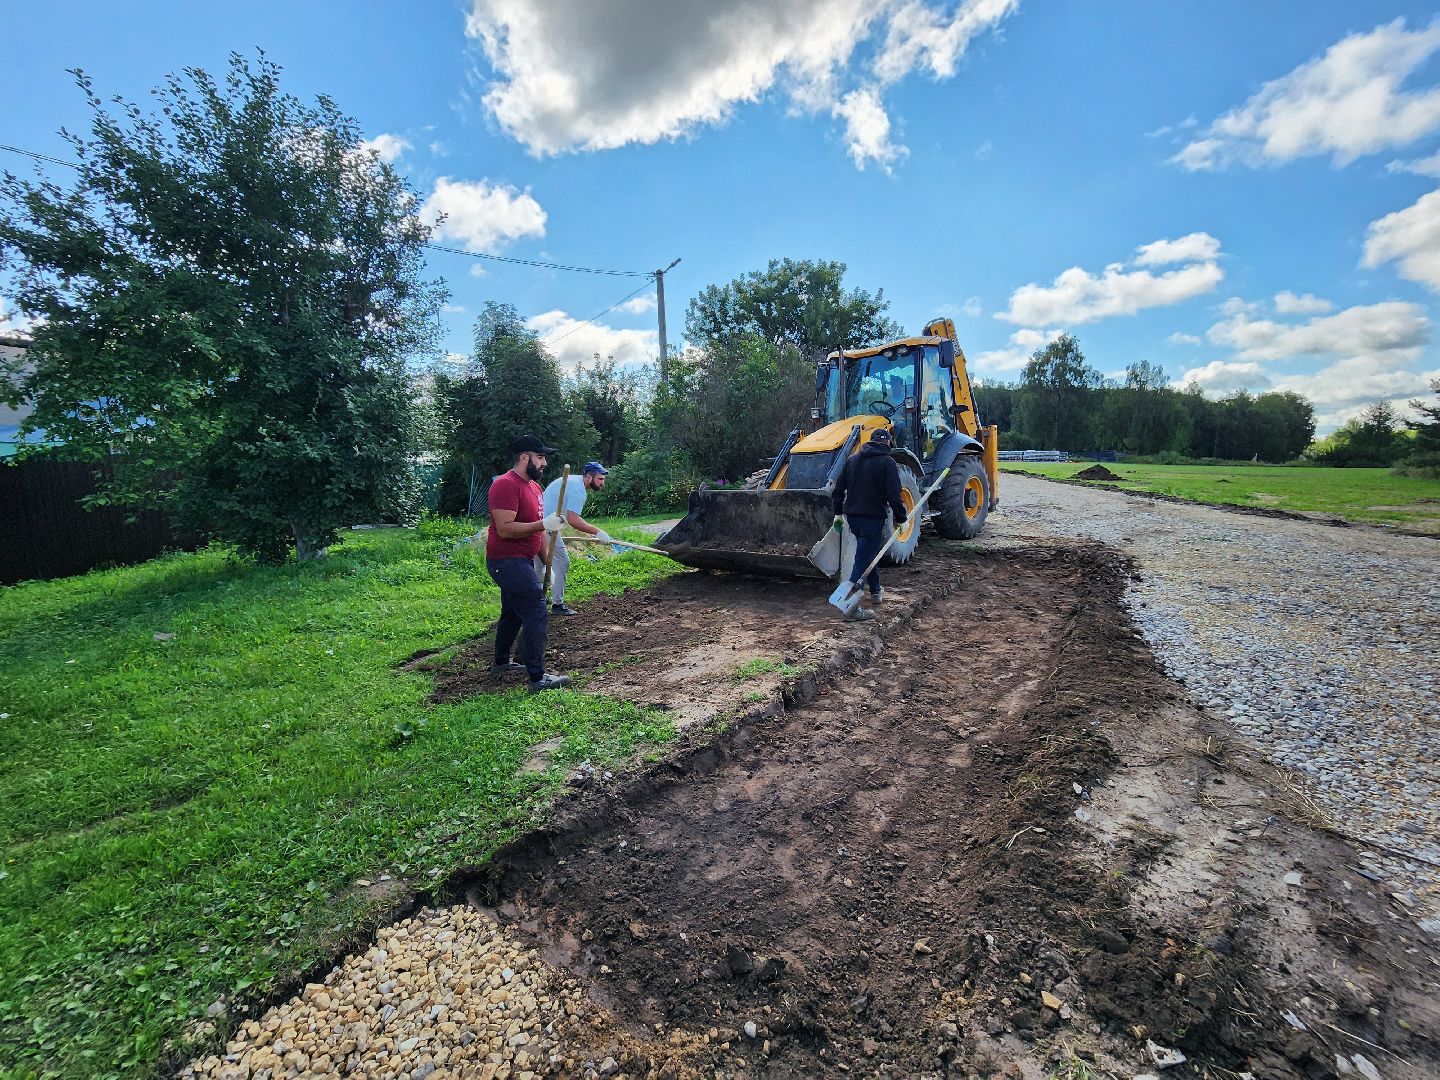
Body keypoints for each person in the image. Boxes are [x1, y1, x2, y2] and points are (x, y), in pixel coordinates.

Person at [486, 435, 571, 692]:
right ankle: (537, 677)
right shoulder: (505, 485)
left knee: (512, 613)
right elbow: (505, 529)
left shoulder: (533, 487)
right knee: (536, 610)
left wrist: (546, 563)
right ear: (525, 457)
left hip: (521, 560)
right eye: (540, 457)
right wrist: (543, 524)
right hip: (506, 561)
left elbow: (538, 531)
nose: (544, 462)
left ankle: (501, 662)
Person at [831, 427, 906, 622]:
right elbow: (894, 495)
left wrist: (838, 513)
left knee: (867, 554)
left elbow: (838, 490)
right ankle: (851, 609)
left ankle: (875, 592)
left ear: (870, 441)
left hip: (853, 519)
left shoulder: (852, 460)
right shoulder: (887, 462)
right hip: (872, 519)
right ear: (888, 443)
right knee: (861, 561)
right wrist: (902, 519)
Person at [534, 461, 613, 617]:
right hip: (547, 526)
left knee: (539, 564)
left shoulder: (572, 481)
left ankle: (536, 598)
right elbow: (574, 519)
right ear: (588, 476)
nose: (602, 483)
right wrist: (598, 532)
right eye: (600, 479)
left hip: (538, 523)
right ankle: (557, 604)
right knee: (562, 562)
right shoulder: (578, 489)